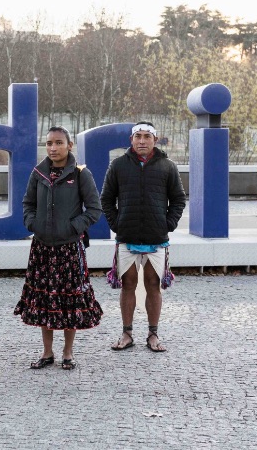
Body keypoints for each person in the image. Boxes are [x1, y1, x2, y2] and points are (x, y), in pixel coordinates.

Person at [14, 126, 103, 370]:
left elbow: (94, 209)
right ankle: (47, 352)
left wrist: (73, 227)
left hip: (69, 249)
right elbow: (27, 203)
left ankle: (67, 352)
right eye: (49, 143)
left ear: (69, 145)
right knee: (45, 298)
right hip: (42, 248)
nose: (53, 148)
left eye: (58, 143)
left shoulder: (81, 174)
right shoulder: (38, 173)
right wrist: (33, 223)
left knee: (69, 300)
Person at [100, 121, 186, 352]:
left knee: (153, 285)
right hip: (127, 237)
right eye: (138, 136)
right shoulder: (118, 165)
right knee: (128, 284)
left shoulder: (167, 166)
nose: (142, 140)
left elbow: (178, 199)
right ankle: (127, 333)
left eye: (147, 136)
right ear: (131, 140)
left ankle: (153, 334)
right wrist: (117, 224)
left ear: (155, 140)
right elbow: (106, 199)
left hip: (156, 239)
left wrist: (168, 224)